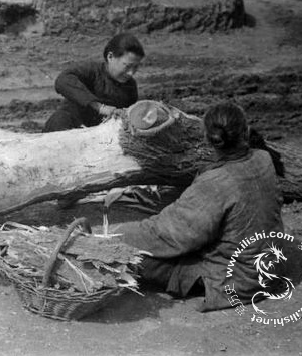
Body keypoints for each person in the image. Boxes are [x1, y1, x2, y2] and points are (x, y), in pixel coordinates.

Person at [115, 102, 284, 311]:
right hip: (271, 265)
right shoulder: (264, 158)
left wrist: (115, 235)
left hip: (239, 278)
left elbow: (172, 234)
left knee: (137, 257)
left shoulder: (217, 182)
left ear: (207, 138)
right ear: (246, 132)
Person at [43, 32, 145, 132]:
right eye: (127, 66)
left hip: (100, 135)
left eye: (136, 67)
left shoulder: (130, 87)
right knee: (60, 119)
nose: (131, 73)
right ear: (110, 57)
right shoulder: (91, 71)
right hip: (71, 125)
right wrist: (99, 107)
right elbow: (63, 80)